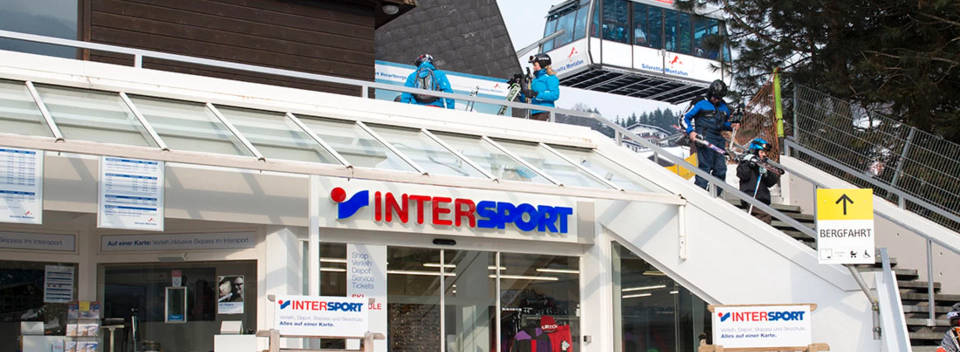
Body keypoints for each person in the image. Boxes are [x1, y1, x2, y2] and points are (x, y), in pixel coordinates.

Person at [682, 80, 739, 194]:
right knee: (705, 167)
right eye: (714, 97)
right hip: (704, 138)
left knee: (721, 169)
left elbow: (723, 124)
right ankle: (699, 194)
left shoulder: (723, 107)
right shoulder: (699, 102)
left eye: (719, 98)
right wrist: (691, 131)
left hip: (719, 140)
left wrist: (731, 126)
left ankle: (714, 196)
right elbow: (684, 118)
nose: (716, 100)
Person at [737, 138, 781, 223]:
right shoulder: (746, 162)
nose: (764, 155)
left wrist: (766, 173)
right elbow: (743, 175)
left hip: (762, 198)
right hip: (751, 196)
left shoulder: (764, 164)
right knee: (764, 217)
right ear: (754, 151)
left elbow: (772, 182)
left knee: (758, 219)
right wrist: (746, 162)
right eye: (762, 152)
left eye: (765, 153)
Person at [518, 53, 560, 121]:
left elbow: (555, 94)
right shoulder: (534, 80)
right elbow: (527, 99)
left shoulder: (550, 78)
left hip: (545, 111)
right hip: (532, 113)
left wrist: (536, 94)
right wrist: (520, 92)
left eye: (535, 65)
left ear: (542, 64)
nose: (533, 67)